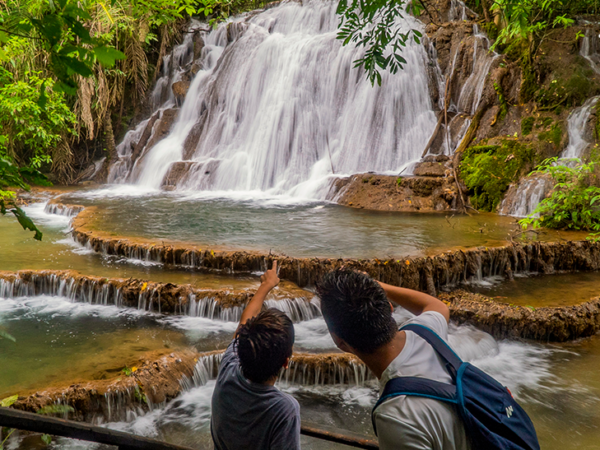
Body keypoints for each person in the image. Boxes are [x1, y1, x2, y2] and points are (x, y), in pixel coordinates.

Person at [316, 269, 469, 450]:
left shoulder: (396, 417)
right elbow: (436, 305)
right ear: (390, 308)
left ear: (339, 342)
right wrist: (379, 287)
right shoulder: (425, 332)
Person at [211, 261, 301, 450]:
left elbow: (244, 321)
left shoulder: (229, 366)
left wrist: (265, 285)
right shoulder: (284, 410)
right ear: (286, 361)